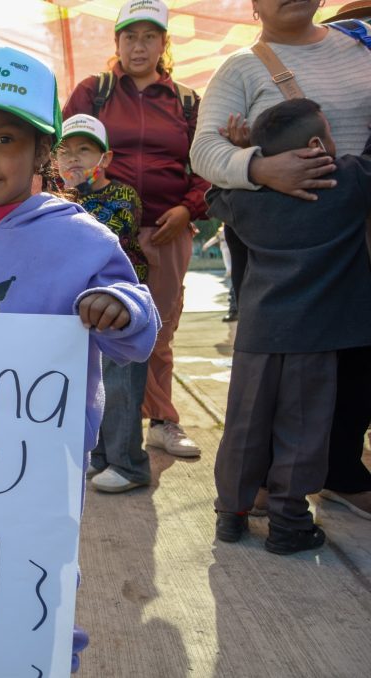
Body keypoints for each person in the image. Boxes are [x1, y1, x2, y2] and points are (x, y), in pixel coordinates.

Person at [0, 46, 160, 673]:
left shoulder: (82, 236)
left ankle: (51, 656)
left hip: (45, 453)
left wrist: (117, 306)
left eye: (4, 138)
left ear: (42, 153)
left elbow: (137, 327)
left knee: (37, 564)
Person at [190, 0, 371, 520]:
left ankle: (340, 470)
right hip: (280, 235)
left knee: (360, 354)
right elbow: (203, 152)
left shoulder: (359, 49)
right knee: (283, 369)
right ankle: (270, 483)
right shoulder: (241, 67)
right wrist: (259, 167)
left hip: (359, 227)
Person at [206, 98, 371, 553]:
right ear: (317, 144)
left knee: (244, 426)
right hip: (316, 338)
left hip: (257, 336)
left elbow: (215, 194)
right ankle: (289, 523)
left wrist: (248, 158)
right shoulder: (351, 180)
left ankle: (230, 515)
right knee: (302, 430)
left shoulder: (246, 202)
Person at [64, 0, 209, 459]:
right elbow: (63, 147)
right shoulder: (96, 91)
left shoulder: (186, 101)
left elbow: (205, 164)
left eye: (149, 36)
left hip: (166, 229)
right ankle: (95, 429)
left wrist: (188, 209)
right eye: (129, 36)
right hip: (100, 231)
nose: (138, 45)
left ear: (164, 44)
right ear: (117, 42)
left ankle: (162, 420)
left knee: (158, 327)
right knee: (92, 325)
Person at [55, 114, 151, 493]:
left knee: (120, 384)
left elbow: (102, 236)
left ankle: (130, 465)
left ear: (105, 159)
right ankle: (101, 455)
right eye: (64, 152)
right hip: (76, 309)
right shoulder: (58, 200)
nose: (73, 159)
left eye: (84, 149)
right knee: (90, 384)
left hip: (118, 309)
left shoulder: (122, 196)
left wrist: (67, 201)